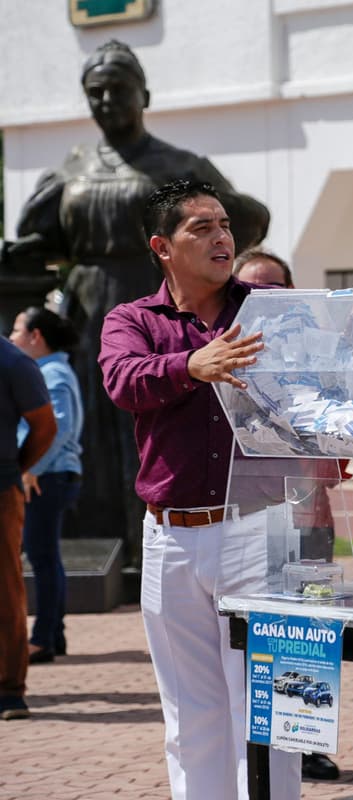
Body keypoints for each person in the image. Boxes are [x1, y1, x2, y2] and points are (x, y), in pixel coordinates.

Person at [1, 39, 269, 560]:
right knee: (96, 427)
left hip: (162, 300)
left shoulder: (180, 166)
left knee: (163, 425)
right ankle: (97, 544)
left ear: (143, 94)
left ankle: (146, 537)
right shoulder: (72, 168)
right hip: (88, 308)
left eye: (117, 89)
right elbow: (45, 240)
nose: (106, 100)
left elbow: (247, 218)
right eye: (95, 92)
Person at [97, 179, 300, 799]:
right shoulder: (131, 320)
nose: (221, 237)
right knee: (191, 715)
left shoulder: (269, 307)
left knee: (271, 711)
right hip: (171, 539)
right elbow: (123, 381)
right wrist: (191, 364)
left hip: (261, 529)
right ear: (163, 246)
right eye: (201, 228)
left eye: (224, 226)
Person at [230, 248, 342, 783]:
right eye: (249, 291)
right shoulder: (230, 358)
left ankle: (304, 746)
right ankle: (251, 743)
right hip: (245, 523)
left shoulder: (314, 356)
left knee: (307, 635)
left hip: (310, 525)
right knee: (249, 645)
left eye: (272, 290)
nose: (261, 301)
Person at [10, 308, 83, 665]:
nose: (11, 338)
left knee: (42, 557)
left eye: (17, 330)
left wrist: (31, 469)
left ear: (36, 336)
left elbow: (59, 428)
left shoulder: (51, 372)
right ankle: (53, 634)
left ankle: (42, 638)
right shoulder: (54, 369)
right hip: (52, 474)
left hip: (47, 476)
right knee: (46, 556)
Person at [0, 339, 56, 721]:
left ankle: (8, 690)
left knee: (4, 591)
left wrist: (14, 468)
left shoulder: (11, 360)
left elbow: (44, 425)